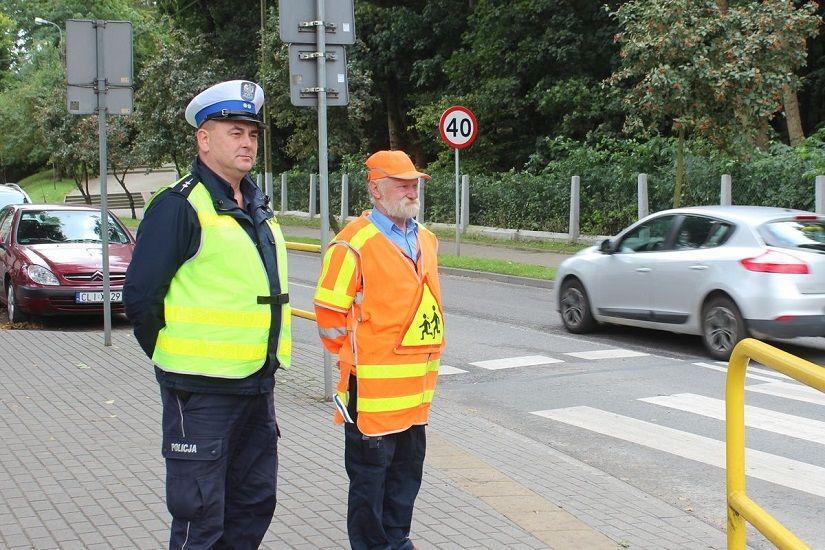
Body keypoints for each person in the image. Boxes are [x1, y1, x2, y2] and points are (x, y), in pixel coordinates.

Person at [124, 80, 291, 549]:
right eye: (234, 132)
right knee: (200, 519)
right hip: (200, 394)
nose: (247, 143)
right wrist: (173, 358)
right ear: (204, 138)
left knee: (253, 505)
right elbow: (140, 297)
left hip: (257, 386)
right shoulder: (180, 205)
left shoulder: (255, 203)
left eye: (252, 134)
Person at [313, 150, 445, 550]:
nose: (411, 189)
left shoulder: (427, 239)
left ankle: (397, 542)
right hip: (370, 395)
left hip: (415, 398)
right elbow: (329, 316)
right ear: (375, 189)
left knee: (406, 479)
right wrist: (363, 356)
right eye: (401, 182)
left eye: (414, 182)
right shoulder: (352, 243)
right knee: (370, 485)